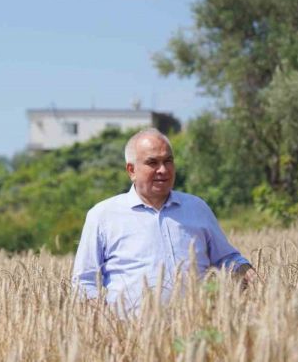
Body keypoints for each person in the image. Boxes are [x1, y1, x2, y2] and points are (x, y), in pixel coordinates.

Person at [72, 128, 256, 312]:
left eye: (168, 161)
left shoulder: (197, 208)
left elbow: (227, 258)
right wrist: (104, 326)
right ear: (131, 170)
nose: (163, 170)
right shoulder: (103, 215)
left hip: (196, 330)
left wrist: (255, 280)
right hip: (130, 335)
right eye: (152, 163)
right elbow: (84, 281)